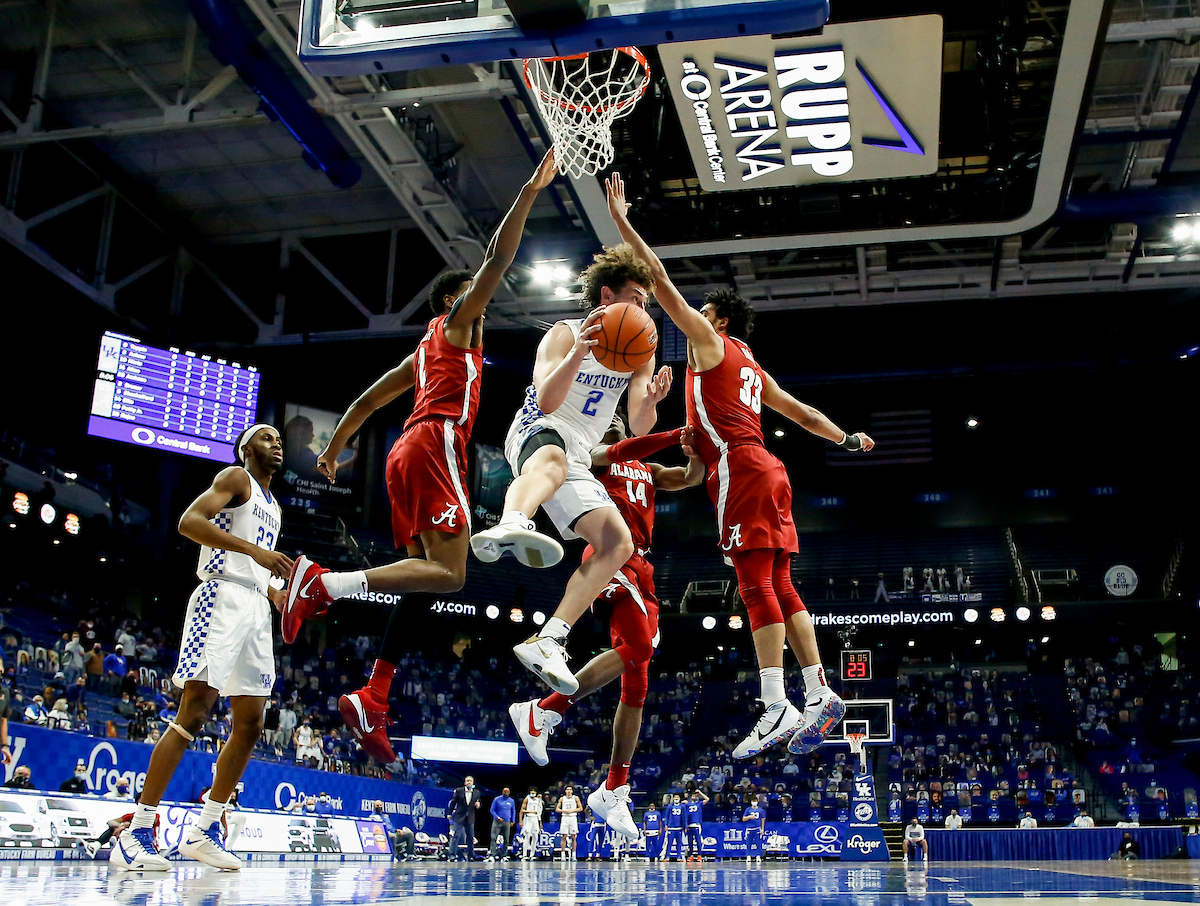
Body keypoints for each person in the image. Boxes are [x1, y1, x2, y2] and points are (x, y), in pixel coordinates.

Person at [281, 153, 558, 765]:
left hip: (409, 450)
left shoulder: (424, 353)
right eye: (473, 298)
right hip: (435, 444)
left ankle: (373, 696)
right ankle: (322, 582)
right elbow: (499, 259)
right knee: (453, 574)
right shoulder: (456, 327)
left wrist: (333, 448)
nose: (483, 305)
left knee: (422, 584)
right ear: (457, 302)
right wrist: (531, 190)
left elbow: (366, 399)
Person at [605, 173, 874, 759]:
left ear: (718, 321)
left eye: (702, 313)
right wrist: (847, 438)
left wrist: (624, 226)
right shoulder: (754, 368)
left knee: (754, 587)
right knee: (780, 583)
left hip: (742, 471)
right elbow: (801, 413)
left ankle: (775, 701)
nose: (690, 317)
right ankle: (820, 690)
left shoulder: (710, 343)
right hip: (768, 468)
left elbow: (662, 281)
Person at [470, 247, 672, 697]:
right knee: (554, 461)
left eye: (646, 304)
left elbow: (639, 425)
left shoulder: (640, 352)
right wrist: (581, 351)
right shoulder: (565, 333)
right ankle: (512, 522)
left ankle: (550, 638)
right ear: (607, 294)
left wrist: (652, 403)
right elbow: (545, 400)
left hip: (579, 450)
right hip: (537, 426)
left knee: (617, 542)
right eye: (636, 299)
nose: (642, 310)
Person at [509, 417, 703, 839]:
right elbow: (611, 453)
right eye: (608, 418)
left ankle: (614, 789)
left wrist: (699, 446)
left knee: (638, 682)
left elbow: (690, 478)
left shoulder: (647, 470)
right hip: (610, 555)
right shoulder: (592, 457)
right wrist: (672, 433)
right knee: (640, 646)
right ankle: (544, 710)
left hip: (644, 565)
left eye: (620, 417)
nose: (614, 421)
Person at [114, 425, 292, 873]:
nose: (277, 444)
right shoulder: (235, 478)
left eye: (279, 440)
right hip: (220, 598)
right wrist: (255, 554)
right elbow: (189, 522)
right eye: (267, 438)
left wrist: (278, 593)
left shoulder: (275, 506)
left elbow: (258, 565)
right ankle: (136, 831)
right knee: (195, 711)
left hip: (254, 608)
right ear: (246, 448)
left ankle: (205, 831)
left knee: (251, 723)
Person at [449, 775, 482, 861]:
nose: (469, 782)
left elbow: (478, 802)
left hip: (470, 817)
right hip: (459, 816)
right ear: (464, 782)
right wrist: (449, 813)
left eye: (470, 781)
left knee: (470, 837)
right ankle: (452, 855)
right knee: (456, 836)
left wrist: (478, 806)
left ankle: (471, 856)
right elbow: (453, 802)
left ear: (473, 783)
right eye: (467, 781)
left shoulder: (477, 792)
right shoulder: (459, 791)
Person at [489, 787, 516, 860]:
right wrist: (497, 817)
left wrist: (513, 820)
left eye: (507, 791)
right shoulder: (497, 799)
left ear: (509, 792)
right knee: (494, 837)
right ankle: (492, 854)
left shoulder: (511, 801)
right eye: (505, 791)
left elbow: (513, 811)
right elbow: (492, 810)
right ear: (502, 791)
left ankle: (504, 855)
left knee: (506, 839)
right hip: (497, 821)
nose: (506, 793)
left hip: (507, 822)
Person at [557, 784, 582, 861]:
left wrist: (572, 810)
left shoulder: (575, 798)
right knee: (564, 836)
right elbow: (557, 809)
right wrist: (564, 811)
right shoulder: (562, 798)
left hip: (572, 817)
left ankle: (574, 855)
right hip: (565, 817)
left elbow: (580, 808)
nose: (569, 791)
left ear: (572, 791)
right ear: (565, 791)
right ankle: (563, 855)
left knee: (573, 836)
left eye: (570, 790)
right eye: (567, 789)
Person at [686, 788, 710, 862]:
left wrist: (700, 792)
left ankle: (699, 855)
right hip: (689, 825)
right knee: (690, 842)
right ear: (691, 797)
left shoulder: (699, 803)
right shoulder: (687, 804)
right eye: (693, 796)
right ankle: (691, 855)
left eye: (696, 796)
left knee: (698, 841)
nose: (695, 797)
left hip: (697, 825)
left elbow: (707, 799)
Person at [520, 788, 543, 861]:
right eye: (531, 792)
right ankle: (524, 855)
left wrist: (540, 822)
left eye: (534, 792)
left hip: (535, 819)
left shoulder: (538, 800)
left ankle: (532, 854)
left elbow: (539, 812)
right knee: (527, 837)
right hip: (528, 818)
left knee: (535, 837)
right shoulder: (527, 799)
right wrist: (521, 821)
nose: (533, 793)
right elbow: (522, 810)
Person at [663, 793, 685, 862]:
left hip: (679, 827)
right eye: (675, 798)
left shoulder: (682, 806)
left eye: (677, 797)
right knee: (669, 843)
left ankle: (679, 857)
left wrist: (685, 826)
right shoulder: (670, 806)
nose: (676, 799)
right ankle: (667, 857)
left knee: (679, 843)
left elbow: (684, 817)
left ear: (680, 798)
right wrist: (666, 825)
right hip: (671, 827)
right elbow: (666, 816)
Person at [742, 797, 765, 864]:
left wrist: (762, 829)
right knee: (749, 843)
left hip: (757, 828)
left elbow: (762, 820)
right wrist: (749, 817)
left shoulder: (760, 810)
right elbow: (743, 819)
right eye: (753, 801)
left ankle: (758, 856)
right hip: (749, 828)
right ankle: (748, 856)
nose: (754, 802)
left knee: (758, 843)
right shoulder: (748, 809)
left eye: (755, 801)